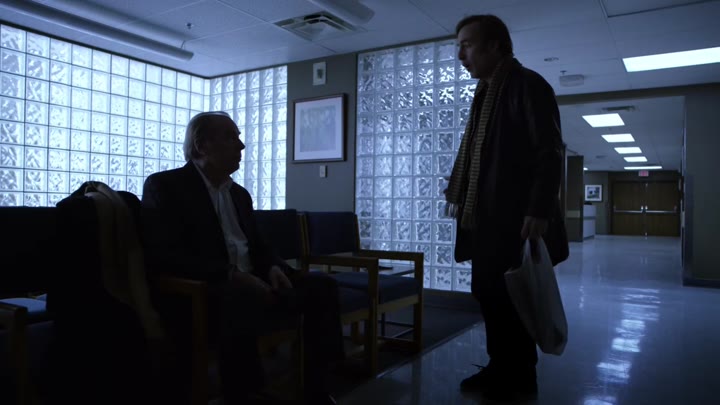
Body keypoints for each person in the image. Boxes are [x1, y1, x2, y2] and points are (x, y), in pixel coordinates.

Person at [141, 111, 343, 405]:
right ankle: (245, 393)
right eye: (230, 137)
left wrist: (272, 267)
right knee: (237, 297)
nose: (241, 145)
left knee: (322, 287)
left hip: (254, 280)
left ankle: (317, 388)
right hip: (205, 290)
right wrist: (232, 275)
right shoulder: (165, 186)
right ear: (201, 145)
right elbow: (164, 255)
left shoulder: (239, 194)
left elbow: (258, 246)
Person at [446, 15, 568, 401]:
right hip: (486, 218)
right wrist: (463, 184)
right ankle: (500, 365)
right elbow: (486, 155)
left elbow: (549, 151)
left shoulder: (527, 85)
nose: (460, 55)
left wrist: (539, 209)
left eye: (467, 45)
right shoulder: (486, 94)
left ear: (495, 46)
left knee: (513, 297)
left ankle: (519, 375)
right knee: (488, 292)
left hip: (514, 218)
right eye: (459, 46)